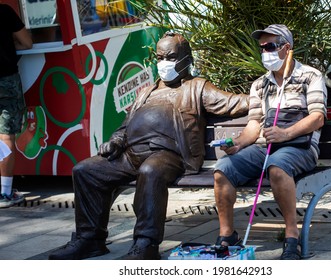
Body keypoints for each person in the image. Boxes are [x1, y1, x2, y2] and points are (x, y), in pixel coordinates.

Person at [48, 31, 249, 260]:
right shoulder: (146, 92)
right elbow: (125, 126)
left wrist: (266, 97)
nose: (164, 63)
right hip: (131, 153)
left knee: (150, 170)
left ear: (186, 59)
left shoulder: (197, 87)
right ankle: (89, 239)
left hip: (170, 154)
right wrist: (115, 142)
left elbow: (235, 103)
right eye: (160, 57)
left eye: (170, 57)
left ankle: (146, 244)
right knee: (86, 170)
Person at [213, 24, 327, 260]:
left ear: (286, 48)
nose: (265, 51)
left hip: (300, 147)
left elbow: (318, 118)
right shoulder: (259, 84)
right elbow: (255, 123)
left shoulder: (310, 76)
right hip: (265, 147)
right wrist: (239, 143)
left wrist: (286, 134)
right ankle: (227, 235)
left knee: (277, 166)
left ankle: (291, 235)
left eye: (270, 46)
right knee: (223, 169)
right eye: (262, 47)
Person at [0, 3, 33, 208]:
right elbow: (27, 43)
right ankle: (4, 192)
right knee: (6, 135)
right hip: (5, 81)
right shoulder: (4, 12)